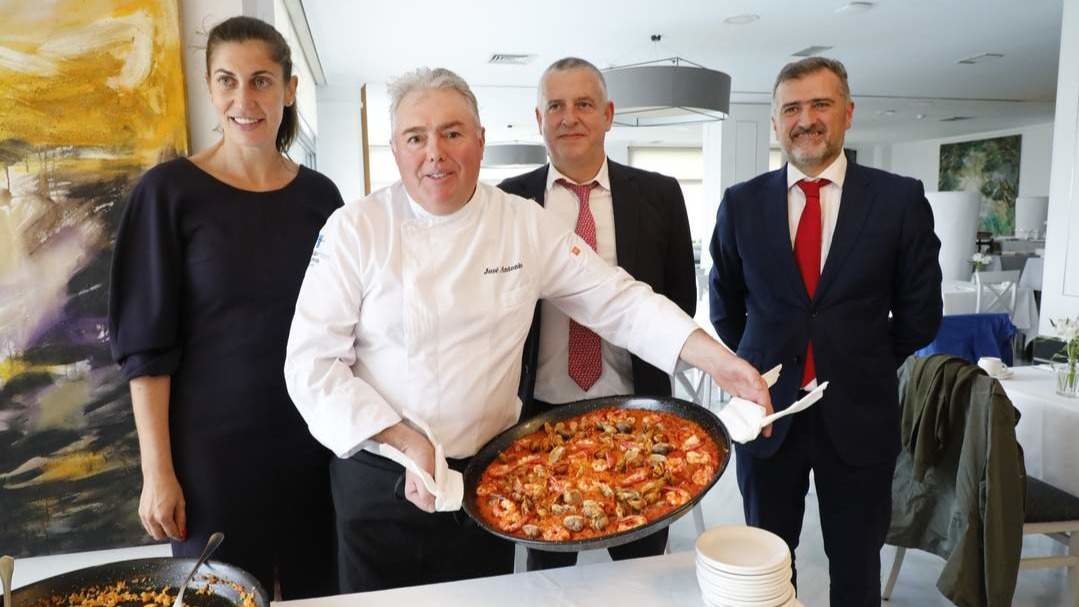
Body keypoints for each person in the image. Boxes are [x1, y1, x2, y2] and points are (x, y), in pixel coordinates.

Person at [283, 66, 773, 593]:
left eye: (452, 133)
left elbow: (618, 300)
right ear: (396, 148)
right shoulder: (355, 229)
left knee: (484, 598)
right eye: (415, 137)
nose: (435, 153)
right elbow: (311, 366)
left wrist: (724, 363)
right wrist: (401, 439)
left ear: (479, 139)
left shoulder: (523, 223)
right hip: (380, 477)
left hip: (491, 474)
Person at [108, 16, 341, 599]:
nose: (245, 99)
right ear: (211, 89)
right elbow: (146, 350)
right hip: (209, 459)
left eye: (262, 81)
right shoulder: (167, 194)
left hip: (315, 446)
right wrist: (156, 472)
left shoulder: (322, 197)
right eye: (227, 81)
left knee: (320, 591)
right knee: (218, 596)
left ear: (289, 89)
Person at [708, 56, 943, 606]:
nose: (805, 119)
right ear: (774, 122)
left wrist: (863, 360)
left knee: (856, 564)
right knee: (763, 562)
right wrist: (760, 364)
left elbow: (920, 313)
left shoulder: (898, 200)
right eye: (791, 108)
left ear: (848, 113)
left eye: (820, 104)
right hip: (768, 417)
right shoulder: (741, 204)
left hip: (859, 414)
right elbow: (725, 307)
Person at [498, 57, 696, 570]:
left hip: (640, 416)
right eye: (555, 106)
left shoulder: (661, 194)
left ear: (608, 114)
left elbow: (678, 299)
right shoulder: (507, 202)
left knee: (643, 571)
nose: (570, 118)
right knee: (547, 573)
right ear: (537, 118)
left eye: (583, 104)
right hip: (538, 419)